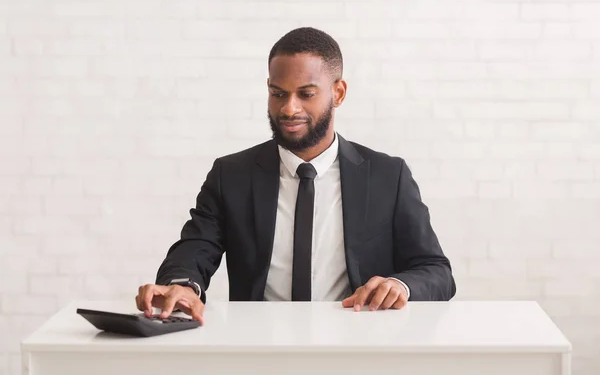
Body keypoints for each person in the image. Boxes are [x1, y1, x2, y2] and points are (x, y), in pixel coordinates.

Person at [135, 27, 456, 324]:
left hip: (358, 346)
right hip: (259, 348)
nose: (289, 108)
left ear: (339, 93)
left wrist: (399, 285)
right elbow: (195, 249)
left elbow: (436, 271)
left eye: (306, 93)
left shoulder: (388, 175)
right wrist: (183, 287)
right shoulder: (230, 175)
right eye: (278, 93)